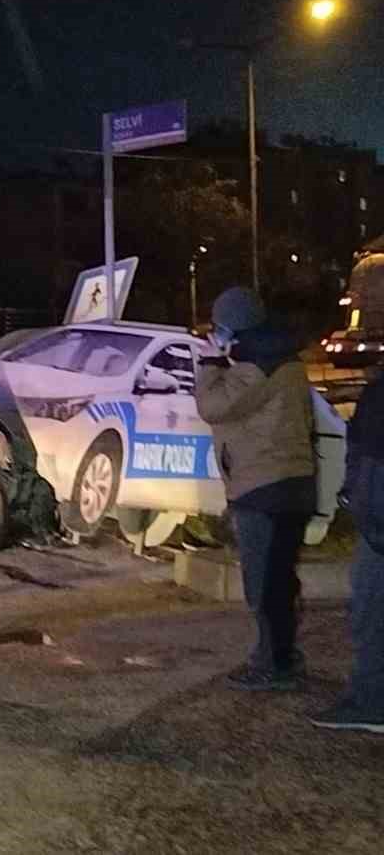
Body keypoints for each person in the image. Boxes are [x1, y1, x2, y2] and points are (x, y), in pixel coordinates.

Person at [195, 287, 316, 691]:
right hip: (289, 484)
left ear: (232, 327)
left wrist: (211, 362)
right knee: (279, 579)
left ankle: (272, 666)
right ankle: (283, 657)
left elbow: (213, 406)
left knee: (264, 584)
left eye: (219, 328)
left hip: (264, 487)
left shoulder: (256, 366)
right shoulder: (284, 360)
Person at [311, 368, 384, 732]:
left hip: (378, 523)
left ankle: (372, 703)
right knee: (368, 610)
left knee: (371, 611)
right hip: (373, 517)